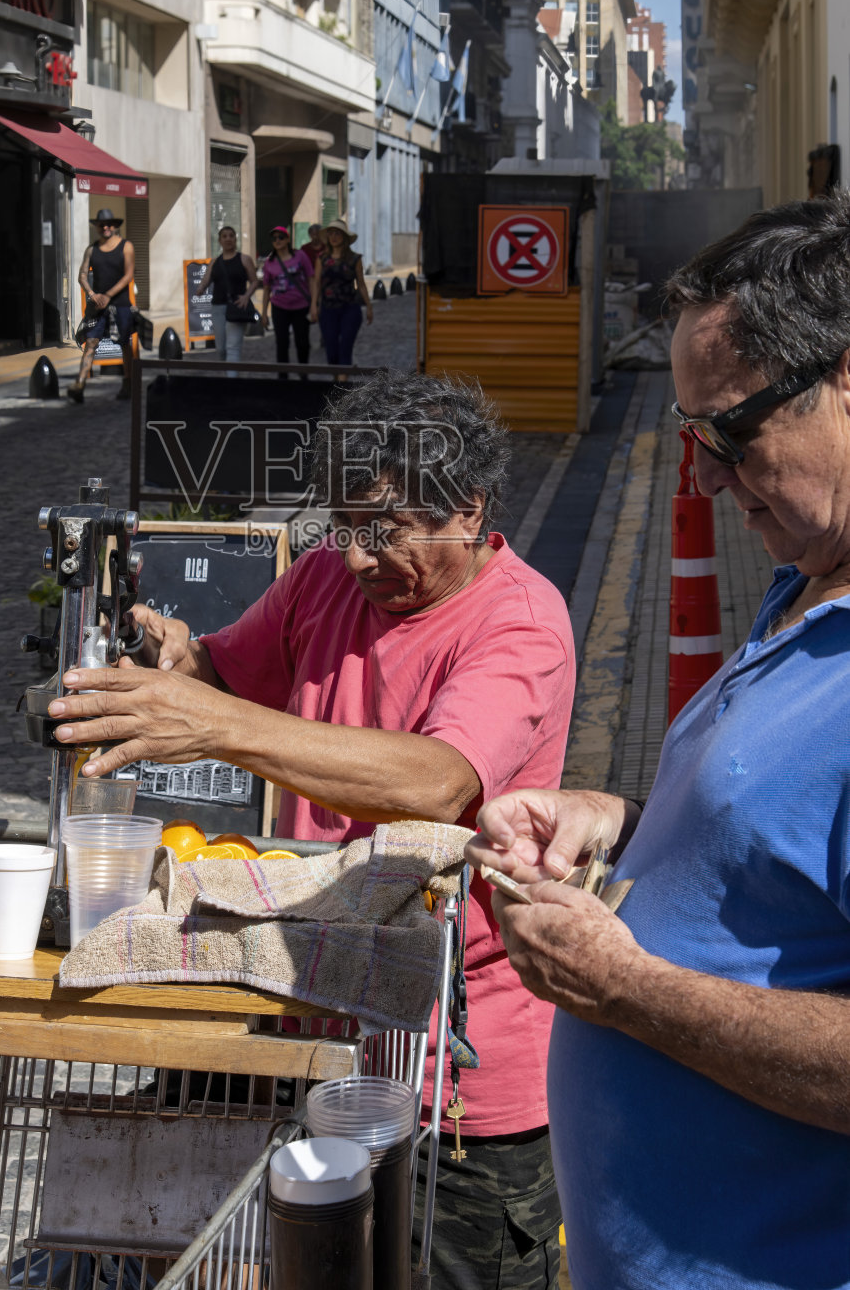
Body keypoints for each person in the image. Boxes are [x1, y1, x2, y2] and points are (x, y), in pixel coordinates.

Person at [46, 371, 576, 1289]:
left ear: (467, 508)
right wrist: (180, 662)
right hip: (306, 1028)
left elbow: (437, 780)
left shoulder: (519, 624)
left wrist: (211, 723)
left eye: (383, 529)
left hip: (450, 1077)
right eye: (342, 526)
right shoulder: (327, 576)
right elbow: (228, 674)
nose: (357, 557)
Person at [466, 197, 850, 1290]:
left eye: (729, 432)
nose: (708, 475)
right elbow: (779, 852)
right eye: (690, 436)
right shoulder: (806, 578)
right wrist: (615, 821)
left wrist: (622, 988)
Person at [68, 209, 135, 405]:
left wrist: (108, 295)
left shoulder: (126, 246)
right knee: (90, 342)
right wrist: (92, 294)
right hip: (98, 306)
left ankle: (128, 383)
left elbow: (128, 275)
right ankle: (80, 384)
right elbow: (82, 275)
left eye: (109, 224)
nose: (105, 227)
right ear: (96, 227)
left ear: (115, 226)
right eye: (101, 224)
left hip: (120, 304)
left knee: (124, 343)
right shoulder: (92, 249)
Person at [310, 219, 373, 377]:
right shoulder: (322, 259)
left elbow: (361, 284)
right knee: (331, 350)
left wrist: (369, 306)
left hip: (350, 309)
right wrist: (314, 305)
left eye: (337, 233)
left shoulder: (355, 259)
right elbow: (317, 283)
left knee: (345, 348)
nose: (334, 237)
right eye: (331, 233)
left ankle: (342, 386)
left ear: (344, 237)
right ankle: (337, 381)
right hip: (328, 309)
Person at [198, 226, 257, 376]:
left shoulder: (244, 259)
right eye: (224, 236)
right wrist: (201, 289)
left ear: (235, 239)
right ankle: (227, 375)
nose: (228, 239)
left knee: (233, 347)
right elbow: (206, 280)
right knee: (221, 349)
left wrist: (246, 296)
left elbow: (255, 281)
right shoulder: (215, 262)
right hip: (218, 308)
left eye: (231, 235)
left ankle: (231, 381)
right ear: (220, 241)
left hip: (236, 307)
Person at [260, 224, 313, 375]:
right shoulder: (269, 262)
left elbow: (311, 279)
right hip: (279, 307)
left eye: (281, 237)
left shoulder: (300, 256)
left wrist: (314, 305)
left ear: (288, 239)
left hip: (301, 306)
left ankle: (303, 374)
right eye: (274, 238)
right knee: (282, 343)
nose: (277, 240)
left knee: (302, 343)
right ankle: (283, 377)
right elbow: (266, 289)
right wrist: (264, 313)